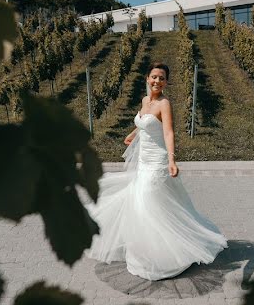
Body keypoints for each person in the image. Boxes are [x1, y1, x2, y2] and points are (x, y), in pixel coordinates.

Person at [86, 63, 227, 280]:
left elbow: (168, 132)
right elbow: (145, 122)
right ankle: (149, 253)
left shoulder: (164, 103)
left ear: (166, 82)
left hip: (158, 162)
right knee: (148, 206)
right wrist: (133, 134)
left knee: (148, 204)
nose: (157, 81)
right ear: (147, 78)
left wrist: (172, 159)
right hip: (143, 161)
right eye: (154, 77)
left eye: (162, 78)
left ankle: (164, 258)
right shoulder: (145, 101)